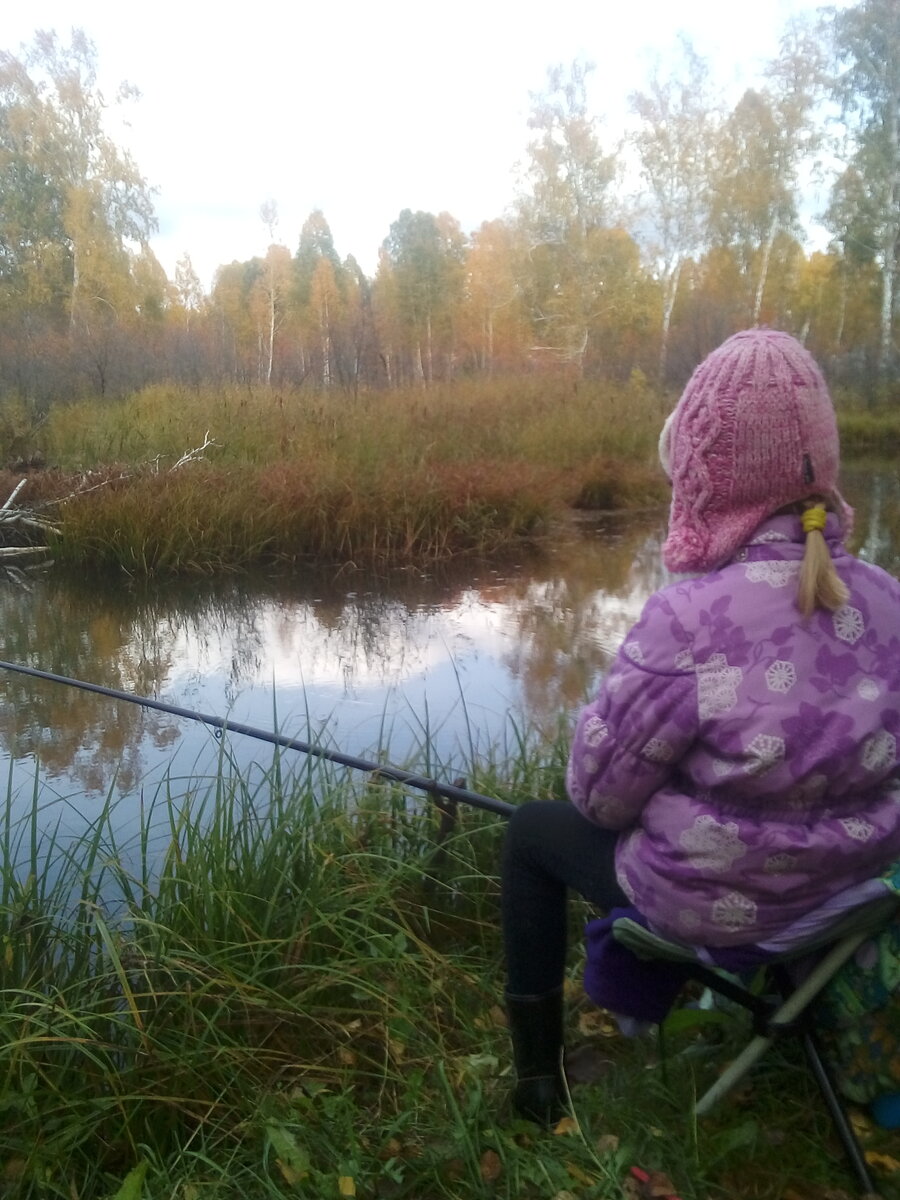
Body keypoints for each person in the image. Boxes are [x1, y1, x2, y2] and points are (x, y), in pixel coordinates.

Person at [501, 327, 900, 1124]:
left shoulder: (686, 621)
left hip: (722, 907)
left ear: (708, 481)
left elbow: (598, 800)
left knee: (530, 834)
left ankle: (539, 1086)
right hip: (853, 892)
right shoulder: (888, 600)